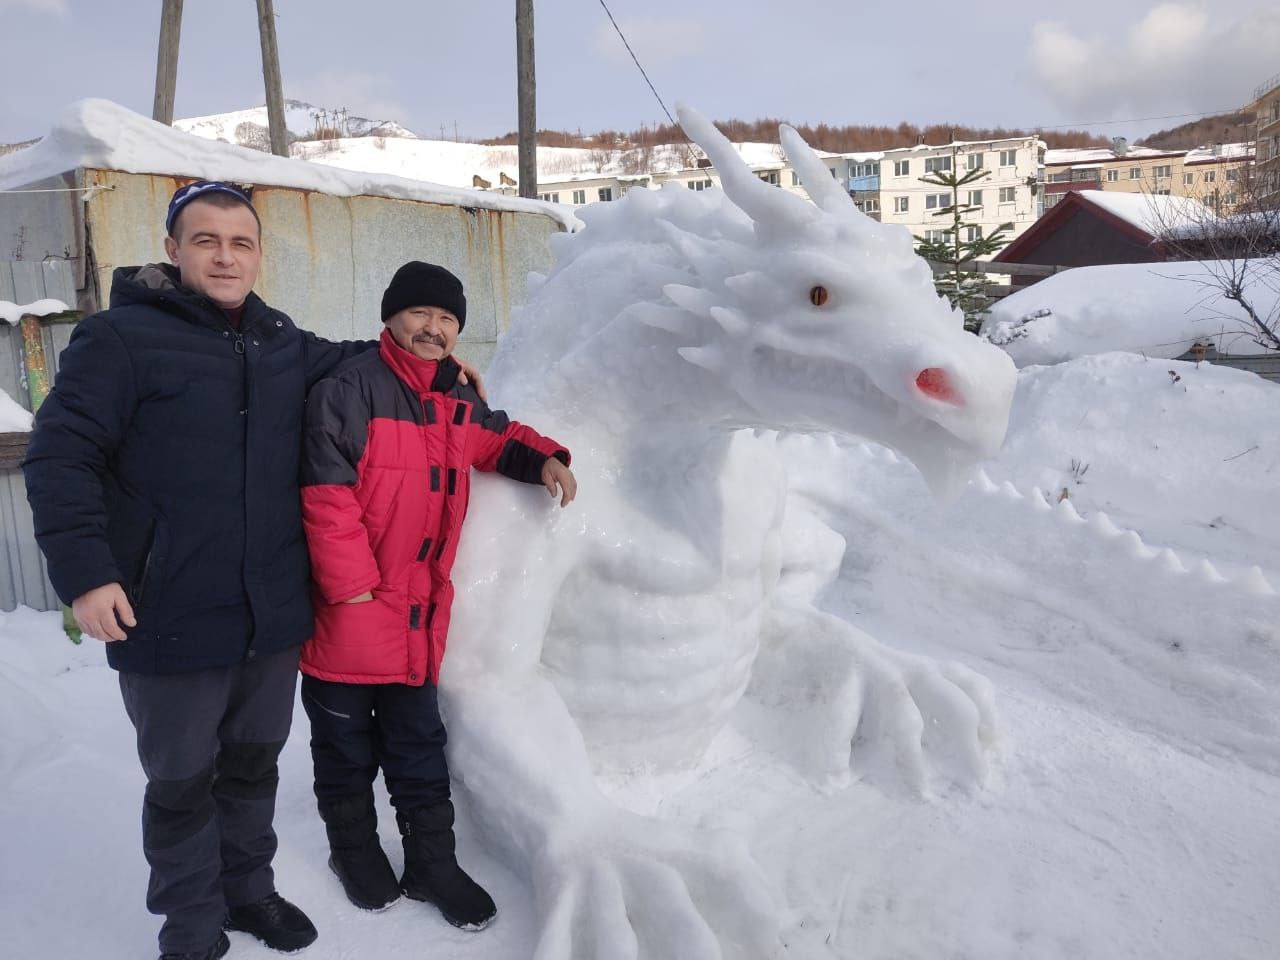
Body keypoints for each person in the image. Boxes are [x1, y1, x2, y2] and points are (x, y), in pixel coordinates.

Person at [21, 182, 485, 960]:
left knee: (251, 769)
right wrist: (87, 574)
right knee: (181, 786)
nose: (225, 255)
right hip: (165, 611)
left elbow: (360, 362)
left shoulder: (279, 340)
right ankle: (192, 931)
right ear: (172, 250)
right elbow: (60, 454)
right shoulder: (120, 339)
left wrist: (430, 358)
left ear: (259, 254)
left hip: (269, 613)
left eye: (240, 242)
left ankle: (249, 892)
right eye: (206, 240)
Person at [297, 261, 576, 931]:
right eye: (422, 313)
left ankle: (432, 862)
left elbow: (493, 436)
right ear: (391, 315)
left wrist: (544, 458)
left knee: (419, 750)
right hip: (349, 615)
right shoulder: (350, 388)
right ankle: (354, 853)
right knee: (344, 753)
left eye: (449, 319)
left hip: (417, 621)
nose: (435, 327)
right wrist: (355, 588)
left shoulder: (454, 395)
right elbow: (325, 495)